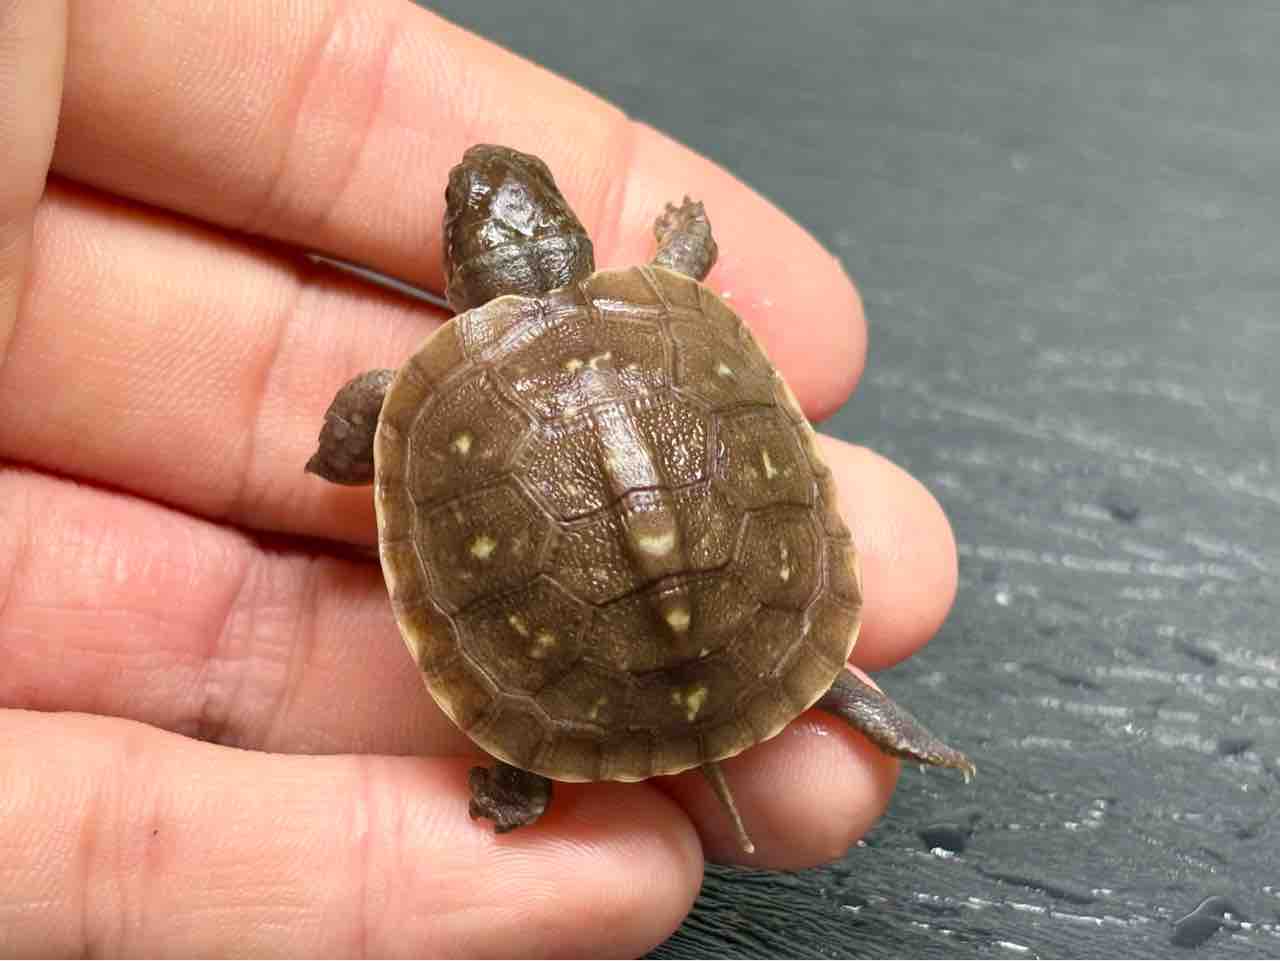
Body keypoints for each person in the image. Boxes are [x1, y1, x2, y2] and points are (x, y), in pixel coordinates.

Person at [0, 1, 959, 955]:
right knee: (771, 640)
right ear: (574, 235)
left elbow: (363, 423)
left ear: (458, 275)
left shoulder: (423, 396)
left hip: (572, 683)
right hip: (749, 605)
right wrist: (686, 234)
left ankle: (524, 776)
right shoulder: (668, 304)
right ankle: (834, 691)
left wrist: (338, 457)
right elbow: (692, 251)